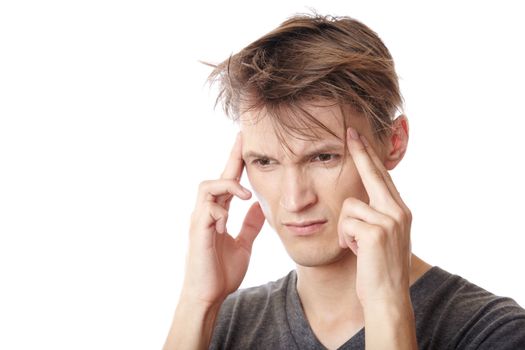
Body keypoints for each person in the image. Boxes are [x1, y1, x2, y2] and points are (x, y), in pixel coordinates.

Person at [163, 13, 525, 349]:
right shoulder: (222, 323)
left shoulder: (493, 331)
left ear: (394, 142)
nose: (293, 200)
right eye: (266, 161)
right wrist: (198, 301)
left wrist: (386, 305)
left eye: (324, 157)